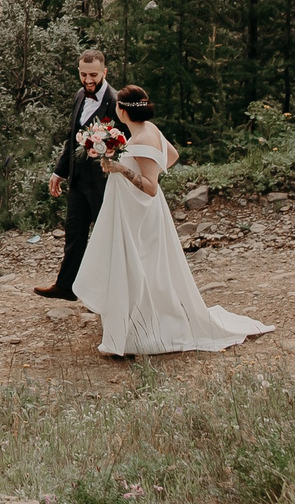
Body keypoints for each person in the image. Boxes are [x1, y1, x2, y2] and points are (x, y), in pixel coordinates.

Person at [71, 85, 273, 357]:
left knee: (141, 269)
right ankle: (136, 326)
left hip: (140, 215)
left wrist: (121, 168)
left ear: (121, 110)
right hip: (138, 212)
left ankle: (144, 332)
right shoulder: (149, 129)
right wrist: (129, 162)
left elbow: (151, 187)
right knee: (145, 269)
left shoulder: (141, 139)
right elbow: (173, 155)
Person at [34, 48, 120, 300]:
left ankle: (110, 293)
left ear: (104, 72)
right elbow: (72, 139)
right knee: (74, 234)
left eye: (93, 74)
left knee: (107, 237)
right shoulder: (79, 95)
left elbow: (125, 142)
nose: (88, 80)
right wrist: (59, 172)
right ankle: (66, 286)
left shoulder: (115, 102)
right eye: (83, 74)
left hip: (103, 183)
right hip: (77, 180)